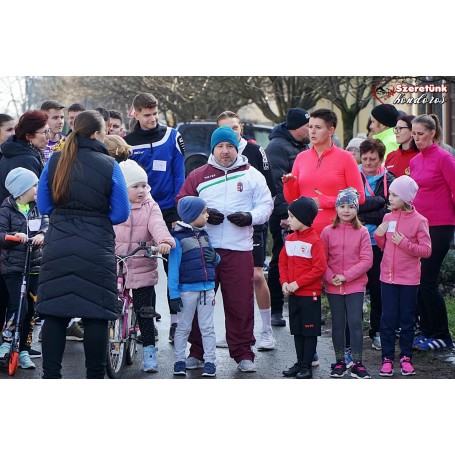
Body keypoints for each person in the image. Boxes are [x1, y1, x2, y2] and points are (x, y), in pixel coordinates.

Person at [35, 110, 130, 379]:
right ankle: (94, 377)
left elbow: (44, 205)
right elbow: (121, 213)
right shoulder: (110, 165)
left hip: (58, 244)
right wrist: (97, 218)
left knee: (53, 313)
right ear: (99, 134)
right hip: (96, 246)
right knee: (96, 315)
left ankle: (51, 376)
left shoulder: (54, 161)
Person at [176, 126, 273, 373]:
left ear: (236, 147)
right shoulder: (199, 175)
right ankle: (196, 352)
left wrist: (250, 217)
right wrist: (203, 215)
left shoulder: (252, 175)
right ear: (213, 148)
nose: (225, 151)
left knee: (239, 303)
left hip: (238, 249)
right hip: (202, 248)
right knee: (199, 302)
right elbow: (182, 202)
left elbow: (266, 204)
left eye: (229, 146)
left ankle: (243, 353)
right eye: (220, 146)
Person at [124, 92, 185, 341]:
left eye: (155, 114)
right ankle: (143, 325)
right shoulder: (127, 142)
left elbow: (179, 174)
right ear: (135, 114)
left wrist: (178, 210)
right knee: (142, 274)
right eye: (147, 115)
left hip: (168, 213)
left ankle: (176, 324)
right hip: (139, 214)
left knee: (174, 272)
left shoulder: (172, 136)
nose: (152, 119)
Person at [216, 110, 277, 350]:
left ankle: (267, 332)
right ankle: (230, 332)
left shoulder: (253, 150)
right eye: (225, 128)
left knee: (256, 276)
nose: (231, 133)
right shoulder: (216, 154)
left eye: (235, 127)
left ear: (241, 128)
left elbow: (269, 190)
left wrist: (252, 216)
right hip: (224, 230)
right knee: (226, 281)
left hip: (252, 225)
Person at [114, 159, 175, 372]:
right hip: (116, 264)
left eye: (144, 185)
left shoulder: (150, 206)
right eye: (135, 186)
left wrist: (164, 242)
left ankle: (149, 350)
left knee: (145, 312)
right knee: (110, 307)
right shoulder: (112, 203)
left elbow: (157, 225)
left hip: (142, 264)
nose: (141, 190)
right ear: (123, 187)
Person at [374, 175, 431, 376]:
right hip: (387, 278)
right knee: (387, 319)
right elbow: (384, 246)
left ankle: (406, 357)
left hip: (409, 280)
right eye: (390, 193)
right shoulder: (388, 218)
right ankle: (387, 359)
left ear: (406, 198)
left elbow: (426, 250)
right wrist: (378, 235)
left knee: (406, 320)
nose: (390, 197)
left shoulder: (420, 221)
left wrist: (404, 243)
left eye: (395, 194)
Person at [410, 114, 455, 351]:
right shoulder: (416, 161)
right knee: (418, 280)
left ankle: (442, 335)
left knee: (427, 280)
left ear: (433, 134)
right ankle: (427, 330)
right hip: (418, 226)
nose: (416, 138)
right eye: (414, 134)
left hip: (440, 226)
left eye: (421, 134)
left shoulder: (444, 159)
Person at [282, 108, 365, 236]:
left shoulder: (346, 158)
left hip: (336, 231)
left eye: (318, 127)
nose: (312, 131)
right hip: (306, 232)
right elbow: (292, 199)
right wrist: (288, 184)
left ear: (331, 130)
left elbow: (359, 197)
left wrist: (325, 201)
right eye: (310, 127)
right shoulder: (301, 157)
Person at [320, 188, 373, 379]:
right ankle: (340, 362)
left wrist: (346, 276)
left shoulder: (363, 232)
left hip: (355, 286)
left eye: (351, 206)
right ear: (336, 208)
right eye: (342, 206)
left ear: (356, 209)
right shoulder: (327, 232)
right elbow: (322, 259)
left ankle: (358, 363)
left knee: (355, 323)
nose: (346, 210)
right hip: (333, 285)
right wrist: (330, 276)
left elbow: (367, 260)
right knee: (338, 325)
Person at [266, 107, 311, 327]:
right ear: (296, 127)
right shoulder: (277, 147)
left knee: (304, 260)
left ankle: (305, 306)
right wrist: (287, 214)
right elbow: (275, 183)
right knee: (280, 258)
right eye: (307, 125)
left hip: (304, 213)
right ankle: (276, 309)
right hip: (284, 214)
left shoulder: (303, 145)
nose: (310, 129)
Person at [0, 168, 48, 368]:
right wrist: (13, 237)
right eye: (33, 185)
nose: (37, 189)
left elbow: (47, 224)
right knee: (17, 305)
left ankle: (24, 351)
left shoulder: (38, 207)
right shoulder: (6, 209)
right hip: (13, 267)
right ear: (21, 190)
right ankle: (7, 342)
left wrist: (42, 235)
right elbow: (1, 234)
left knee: (31, 310)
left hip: (34, 266)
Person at [169, 196, 220, 377]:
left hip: (207, 289)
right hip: (187, 290)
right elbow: (173, 269)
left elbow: (214, 258)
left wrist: (215, 258)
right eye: (204, 212)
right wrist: (173, 295)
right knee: (183, 327)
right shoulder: (177, 240)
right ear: (191, 215)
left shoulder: (205, 235)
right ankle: (179, 361)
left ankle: (210, 362)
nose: (207, 216)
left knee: (207, 327)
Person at [279, 197, 327, 379]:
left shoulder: (315, 241)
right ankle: (300, 362)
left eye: (292, 216)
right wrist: (284, 282)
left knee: (309, 330)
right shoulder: (290, 239)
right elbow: (283, 263)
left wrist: (297, 283)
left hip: (309, 294)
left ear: (304, 218)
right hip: (293, 294)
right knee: (297, 330)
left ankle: (307, 365)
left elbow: (319, 268)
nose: (288, 219)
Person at [357, 138, 394, 350]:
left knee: (378, 289)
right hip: (356, 242)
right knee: (354, 289)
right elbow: (350, 206)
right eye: (365, 158)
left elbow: (389, 212)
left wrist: (364, 212)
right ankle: (351, 332)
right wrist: (379, 202)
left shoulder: (389, 179)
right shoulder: (353, 175)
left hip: (380, 243)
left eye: (373, 158)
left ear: (381, 159)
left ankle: (377, 331)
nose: (369, 162)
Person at [0, 110, 47, 203]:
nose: (14, 133)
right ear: (29, 136)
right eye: (44, 132)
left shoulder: (13, 153)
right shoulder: (26, 160)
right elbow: (30, 198)